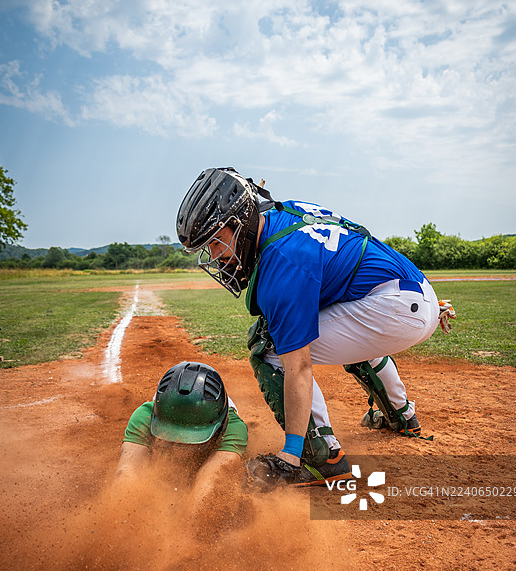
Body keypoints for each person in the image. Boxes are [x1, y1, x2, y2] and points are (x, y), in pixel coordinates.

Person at [176, 167, 443, 492]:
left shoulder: (281, 265)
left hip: (393, 308)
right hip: (410, 292)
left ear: (242, 223)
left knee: (268, 345)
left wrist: (289, 452)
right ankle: (401, 415)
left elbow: (299, 367)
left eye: (217, 240)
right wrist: (423, 303)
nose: (215, 255)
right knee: (333, 323)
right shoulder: (284, 212)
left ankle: (319, 459)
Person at [116, 360, 248, 507]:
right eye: (172, 439)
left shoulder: (233, 429)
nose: (180, 449)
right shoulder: (144, 417)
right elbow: (127, 473)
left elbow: (209, 488)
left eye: (191, 442)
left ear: (219, 428)